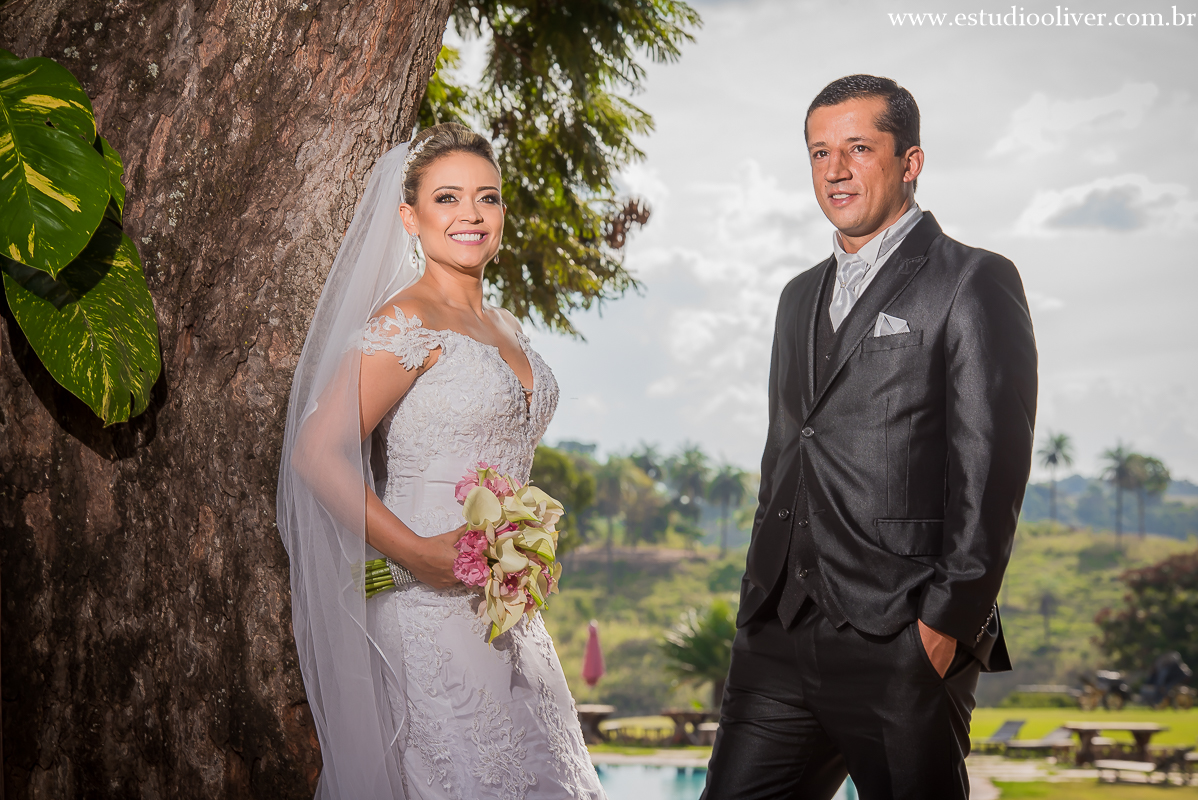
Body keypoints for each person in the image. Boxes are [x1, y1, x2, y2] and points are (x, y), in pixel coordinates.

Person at [702, 75, 1038, 799]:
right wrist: (755, 602)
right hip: (777, 634)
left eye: (859, 147)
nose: (836, 169)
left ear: (910, 162)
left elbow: (991, 469)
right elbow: (789, 448)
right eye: (820, 152)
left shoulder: (973, 280)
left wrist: (943, 627)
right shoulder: (797, 296)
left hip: (904, 634)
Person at [277, 122, 606, 800]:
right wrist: (419, 553)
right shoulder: (405, 323)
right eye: (448, 198)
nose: (471, 215)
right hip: (426, 608)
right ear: (411, 216)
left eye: (487, 198)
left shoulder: (506, 326)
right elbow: (318, 451)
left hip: (507, 615)